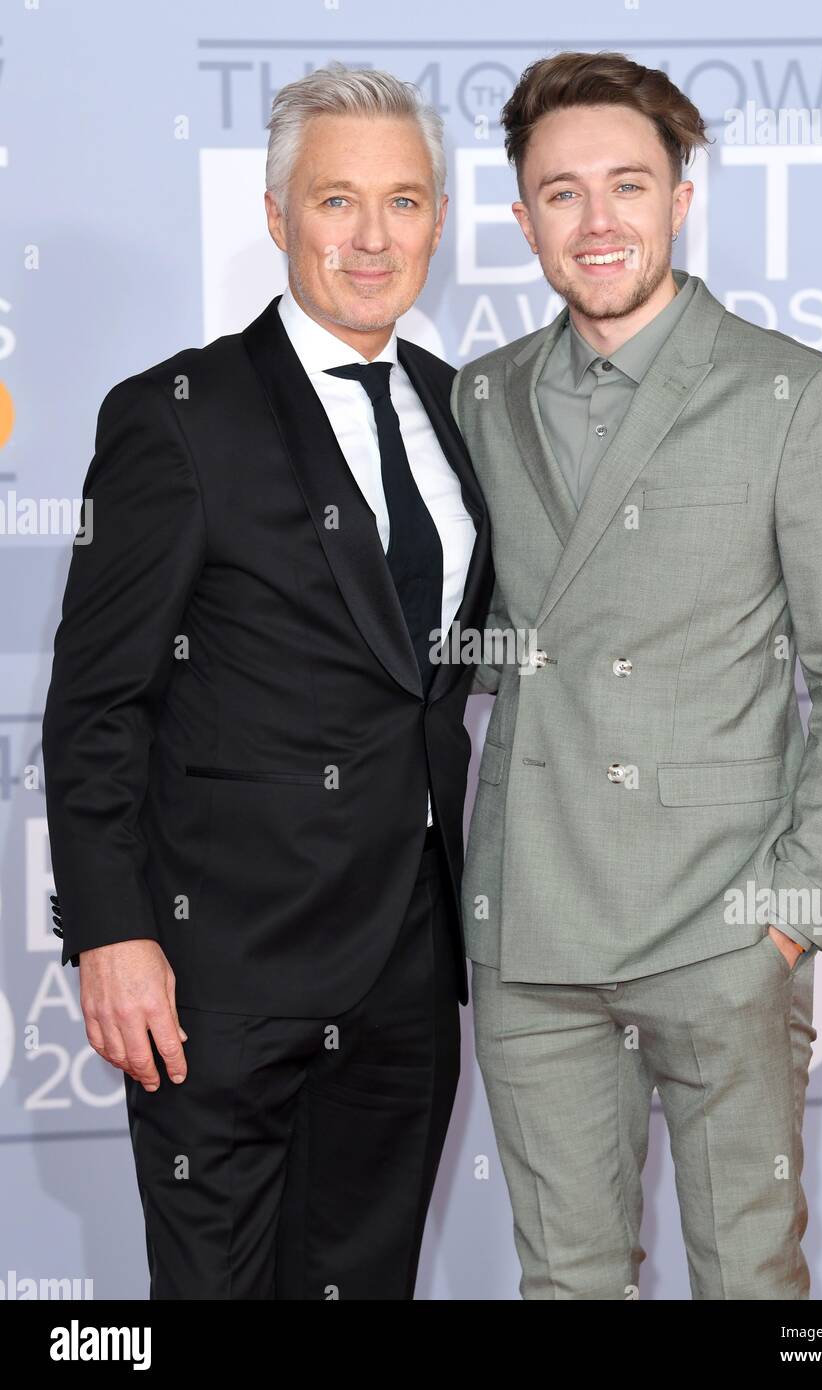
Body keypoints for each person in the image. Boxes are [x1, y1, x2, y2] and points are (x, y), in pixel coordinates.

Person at [453, 51, 822, 1299]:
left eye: (626, 186)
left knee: (749, 1279)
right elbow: (471, 639)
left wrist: (784, 917)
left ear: (678, 196)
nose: (596, 223)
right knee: (564, 1282)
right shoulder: (478, 399)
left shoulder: (793, 396)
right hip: (532, 927)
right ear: (521, 218)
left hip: (718, 923)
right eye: (560, 194)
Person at [42, 62, 492, 1300]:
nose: (370, 236)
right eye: (335, 200)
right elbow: (96, 705)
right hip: (217, 971)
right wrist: (112, 931)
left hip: (408, 962)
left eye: (402, 203)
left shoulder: (465, 413)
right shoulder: (179, 416)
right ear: (276, 212)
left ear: (439, 224)